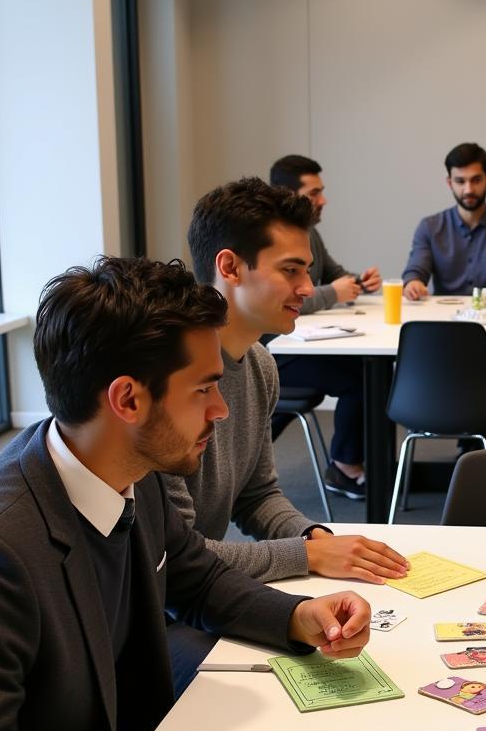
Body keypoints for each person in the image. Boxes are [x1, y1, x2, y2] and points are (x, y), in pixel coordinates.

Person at [0, 257, 373, 731]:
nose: (222, 409)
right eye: (203, 389)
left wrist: (299, 617)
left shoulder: (129, 464)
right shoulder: (9, 549)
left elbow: (195, 575)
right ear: (129, 399)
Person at [167, 177, 407, 686]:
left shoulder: (259, 364)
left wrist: (311, 535)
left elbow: (257, 494)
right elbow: (175, 558)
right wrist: (308, 554)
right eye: (291, 270)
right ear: (229, 267)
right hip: (167, 611)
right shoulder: (170, 381)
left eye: (308, 270)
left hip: (206, 593)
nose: (306, 288)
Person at [268, 154, 381, 499]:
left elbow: (334, 274)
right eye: (315, 192)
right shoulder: (272, 239)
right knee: (361, 379)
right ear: (287, 194)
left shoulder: (308, 233)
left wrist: (358, 281)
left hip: (303, 343)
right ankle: (345, 466)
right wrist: (335, 292)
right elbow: (286, 295)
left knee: (365, 372)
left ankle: (352, 461)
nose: (323, 199)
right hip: (275, 348)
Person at [402, 142, 486, 299]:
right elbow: (416, 270)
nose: (468, 190)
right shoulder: (429, 227)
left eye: (476, 180)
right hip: (443, 317)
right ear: (450, 183)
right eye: (460, 181)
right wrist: (413, 283)